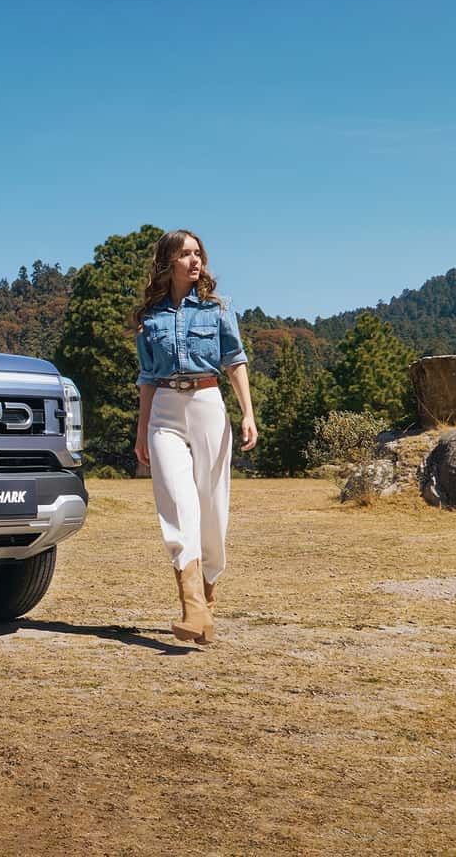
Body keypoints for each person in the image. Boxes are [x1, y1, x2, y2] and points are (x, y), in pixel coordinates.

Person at [132, 229, 257, 644]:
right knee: (177, 502)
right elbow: (147, 378)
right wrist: (141, 431)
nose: (194, 260)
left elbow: (235, 362)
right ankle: (191, 604)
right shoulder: (149, 318)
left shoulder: (218, 309)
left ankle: (207, 597)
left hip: (208, 405)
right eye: (185, 254)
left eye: (197, 253)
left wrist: (247, 415)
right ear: (168, 262)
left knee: (212, 507)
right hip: (165, 411)